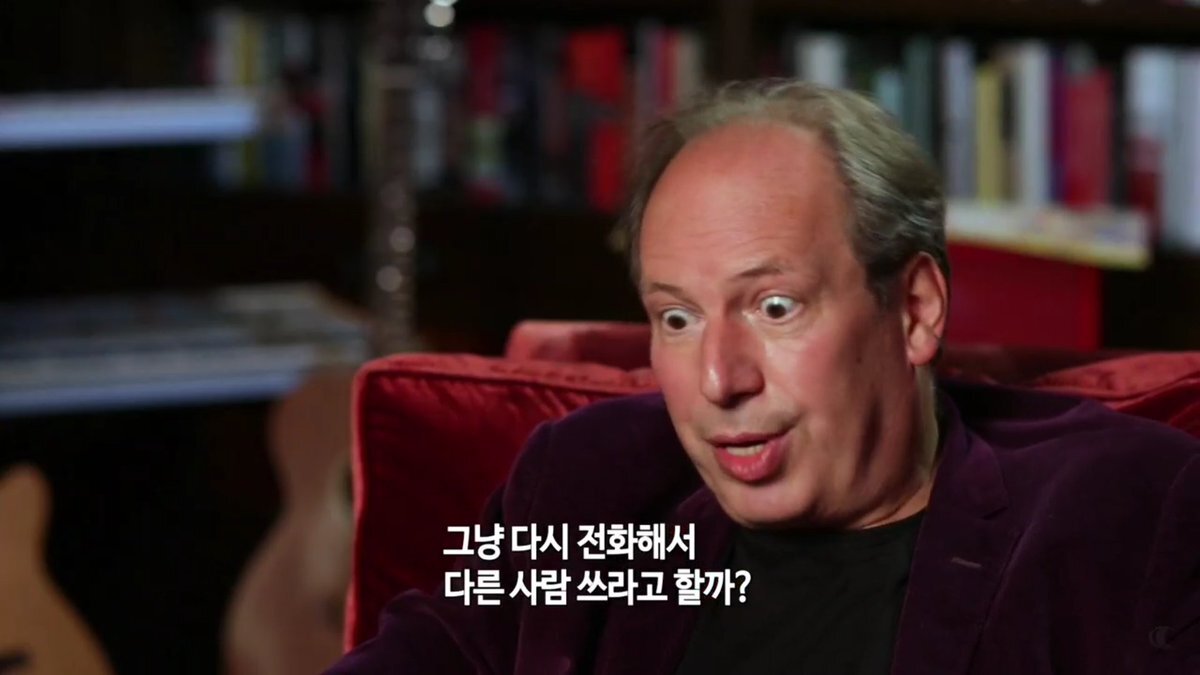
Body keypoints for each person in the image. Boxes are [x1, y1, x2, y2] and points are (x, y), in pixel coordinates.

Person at [325, 79, 1200, 674]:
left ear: (915, 310)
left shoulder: (1125, 511)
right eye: (677, 317)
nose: (719, 379)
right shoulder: (588, 488)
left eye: (774, 307)